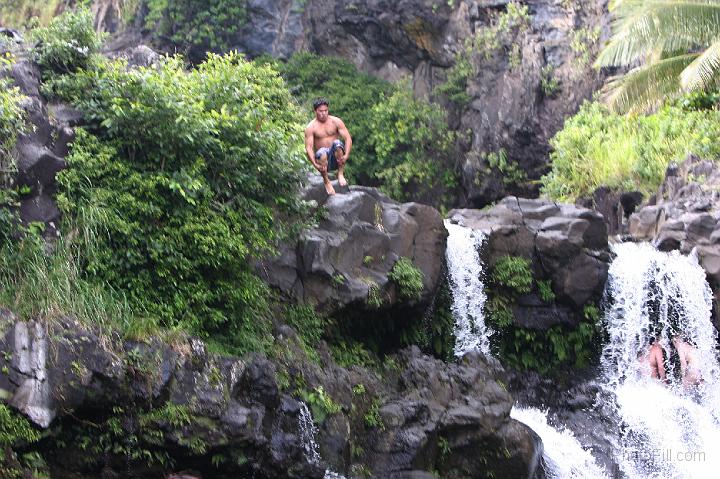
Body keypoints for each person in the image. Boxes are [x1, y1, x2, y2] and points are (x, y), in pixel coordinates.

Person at [304, 97, 353, 195]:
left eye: (326, 110)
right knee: (322, 151)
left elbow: (348, 138)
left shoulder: (336, 121)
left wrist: (346, 155)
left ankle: (340, 173)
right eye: (320, 111)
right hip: (322, 160)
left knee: (338, 143)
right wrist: (315, 164)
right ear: (315, 111)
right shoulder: (311, 127)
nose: (323, 113)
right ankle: (326, 181)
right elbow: (308, 148)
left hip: (336, 157)